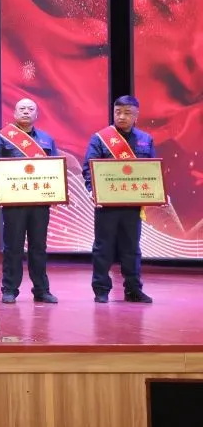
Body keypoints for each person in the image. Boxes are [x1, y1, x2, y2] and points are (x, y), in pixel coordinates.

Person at [0, 98, 60, 305]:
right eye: (22, 109)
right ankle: (9, 289)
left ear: (36, 114)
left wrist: (57, 192)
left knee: (39, 247)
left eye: (30, 109)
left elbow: (56, 169)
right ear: (15, 113)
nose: (26, 112)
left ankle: (42, 290)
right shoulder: (2, 138)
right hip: (14, 203)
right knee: (13, 247)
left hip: (39, 203)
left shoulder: (47, 139)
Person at [82, 95, 156, 304]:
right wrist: (92, 190)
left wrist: (157, 192)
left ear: (136, 115)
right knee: (103, 247)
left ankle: (133, 290)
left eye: (127, 113)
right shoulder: (100, 138)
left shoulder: (146, 139)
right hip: (106, 204)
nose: (122, 116)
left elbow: (152, 170)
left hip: (132, 205)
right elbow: (89, 168)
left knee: (131, 248)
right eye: (118, 112)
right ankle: (101, 290)